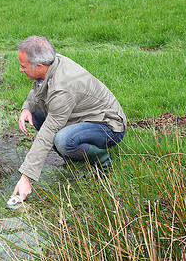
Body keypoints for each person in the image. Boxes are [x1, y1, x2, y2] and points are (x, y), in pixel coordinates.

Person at [12, 36, 127, 201]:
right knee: (36, 114)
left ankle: (103, 161)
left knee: (63, 140)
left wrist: (26, 178)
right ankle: (74, 158)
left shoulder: (63, 88)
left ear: (39, 66)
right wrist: (27, 108)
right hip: (80, 116)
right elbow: (40, 87)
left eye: (23, 66)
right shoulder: (52, 63)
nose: (20, 70)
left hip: (108, 126)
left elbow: (48, 131)